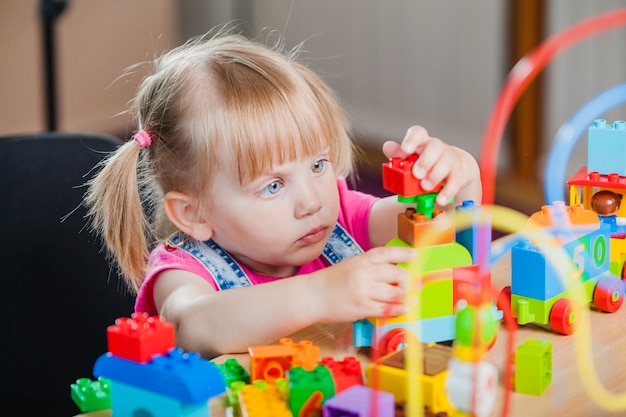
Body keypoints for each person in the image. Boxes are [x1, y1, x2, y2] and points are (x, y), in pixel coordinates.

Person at [85, 27, 482, 358]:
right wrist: (318, 294)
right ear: (194, 215)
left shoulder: (341, 215)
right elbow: (193, 325)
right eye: (272, 186)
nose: (312, 201)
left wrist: (457, 177)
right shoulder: (183, 272)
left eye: (317, 165)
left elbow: (439, 227)